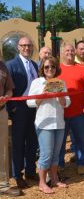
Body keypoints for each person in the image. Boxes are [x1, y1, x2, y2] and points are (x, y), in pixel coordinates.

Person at [27, 56, 70, 194]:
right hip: (44, 123)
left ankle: (55, 178)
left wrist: (60, 96)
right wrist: (42, 96)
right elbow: (29, 102)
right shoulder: (37, 82)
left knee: (56, 154)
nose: (50, 69)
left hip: (59, 123)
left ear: (56, 68)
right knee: (46, 154)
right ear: (42, 69)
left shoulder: (61, 82)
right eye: (46, 67)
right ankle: (42, 183)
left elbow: (67, 103)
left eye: (52, 66)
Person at [6, 36, 38, 188]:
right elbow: (7, 89)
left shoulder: (35, 65)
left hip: (34, 108)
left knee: (33, 142)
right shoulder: (10, 65)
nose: (27, 48)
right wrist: (11, 109)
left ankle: (30, 171)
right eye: (23, 45)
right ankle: (18, 175)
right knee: (18, 143)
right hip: (19, 109)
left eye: (29, 45)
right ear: (18, 47)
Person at [59, 42, 84, 175]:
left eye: (72, 51)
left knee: (80, 139)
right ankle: (60, 164)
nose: (70, 53)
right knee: (60, 141)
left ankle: (81, 162)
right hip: (61, 112)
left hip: (79, 112)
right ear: (62, 52)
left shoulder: (82, 68)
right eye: (67, 50)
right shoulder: (56, 69)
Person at [0, 59, 22, 197]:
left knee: (2, 150)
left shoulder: (2, 66)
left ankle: (2, 185)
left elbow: (9, 88)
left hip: (1, 111)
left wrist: (6, 97)